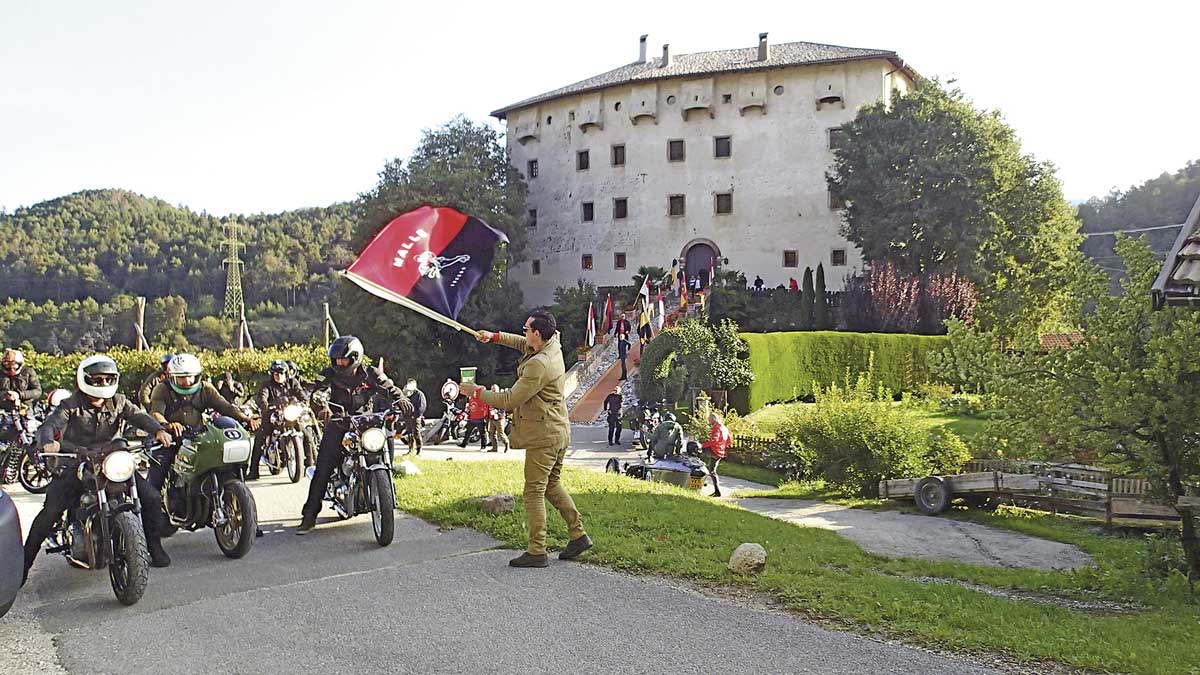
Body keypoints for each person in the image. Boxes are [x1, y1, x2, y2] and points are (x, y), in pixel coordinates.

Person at [24, 355, 175, 577]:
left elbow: (139, 416)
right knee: (51, 511)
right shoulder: (70, 405)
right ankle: (23, 566)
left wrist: (159, 430)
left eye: (108, 379)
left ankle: (153, 547)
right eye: (97, 379)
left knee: (151, 498)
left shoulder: (119, 401)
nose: (103, 384)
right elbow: (50, 424)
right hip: (78, 461)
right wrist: (47, 442)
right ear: (84, 380)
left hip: (112, 458)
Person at [465, 310, 591, 568]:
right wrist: (495, 337)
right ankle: (578, 535)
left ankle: (537, 551)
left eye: (526, 329)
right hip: (558, 432)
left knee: (533, 492)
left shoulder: (538, 365)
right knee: (552, 485)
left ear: (537, 333)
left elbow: (509, 399)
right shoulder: (551, 343)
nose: (523, 333)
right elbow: (521, 343)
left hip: (543, 436)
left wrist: (477, 392)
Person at [297, 336, 412, 535]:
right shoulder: (328, 375)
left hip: (366, 422)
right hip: (338, 423)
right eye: (336, 360)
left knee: (387, 442)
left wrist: (400, 399)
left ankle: (384, 490)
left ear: (355, 358)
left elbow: (388, 387)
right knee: (323, 467)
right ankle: (309, 516)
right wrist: (322, 409)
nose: (339, 363)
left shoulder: (371, 374)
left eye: (343, 360)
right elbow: (315, 394)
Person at [148, 354, 259, 488]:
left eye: (190, 376)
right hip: (170, 439)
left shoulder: (205, 388)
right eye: (182, 377)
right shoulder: (162, 389)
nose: (187, 381)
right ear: (172, 376)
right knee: (156, 478)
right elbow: (155, 412)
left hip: (197, 436)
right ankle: (154, 506)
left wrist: (246, 419)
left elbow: (225, 407)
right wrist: (167, 425)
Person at [250, 360, 307, 478]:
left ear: (286, 373)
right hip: (273, 415)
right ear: (272, 374)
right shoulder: (267, 385)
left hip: (290, 414)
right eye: (276, 373)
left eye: (281, 373)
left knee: (306, 434)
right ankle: (253, 471)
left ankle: (311, 465)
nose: (279, 375)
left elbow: (301, 393)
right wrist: (264, 404)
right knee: (260, 437)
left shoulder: (293, 382)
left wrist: (304, 401)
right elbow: (262, 396)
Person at [700, 411, 731, 497]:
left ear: (713, 419)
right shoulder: (724, 428)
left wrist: (702, 445)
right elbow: (729, 441)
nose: (709, 422)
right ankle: (717, 492)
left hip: (714, 450)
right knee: (712, 471)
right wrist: (722, 447)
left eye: (709, 420)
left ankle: (697, 472)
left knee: (696, 450)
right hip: (720, 452)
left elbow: (714, 440)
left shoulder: (717, 428)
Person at [403, 378, 427, 455]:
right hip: (408, 417)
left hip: (416, 417)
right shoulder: (408, 394)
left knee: (416, 433)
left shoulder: (419, 394)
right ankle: (410, 450)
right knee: (409, 433)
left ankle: (419, 451)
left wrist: (416, 415)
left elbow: (422, 407)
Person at [486, 384, 509, 453]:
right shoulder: (490, 397)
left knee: (500, 434)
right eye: (492, 389)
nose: (493, 390)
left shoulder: (501, 397)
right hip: (492, 418)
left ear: (497, 390)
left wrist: (498, 413)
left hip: (499, 418)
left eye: (494, 389)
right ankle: (494, 448)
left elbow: (504, 407)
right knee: (491, 433)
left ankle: (507, 444)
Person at [611, 312, 633, 380]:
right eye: (622, 316)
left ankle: (624, 376)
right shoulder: (619, 322)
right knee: (622, 364)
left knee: (624, 365)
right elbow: (617, 328)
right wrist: (615, 334)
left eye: (623, 316)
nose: (622, 317)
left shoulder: (627, 322)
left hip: (624, 354)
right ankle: (620, 355)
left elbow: (629, 344)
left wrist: (627, 350)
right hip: (622, 354)